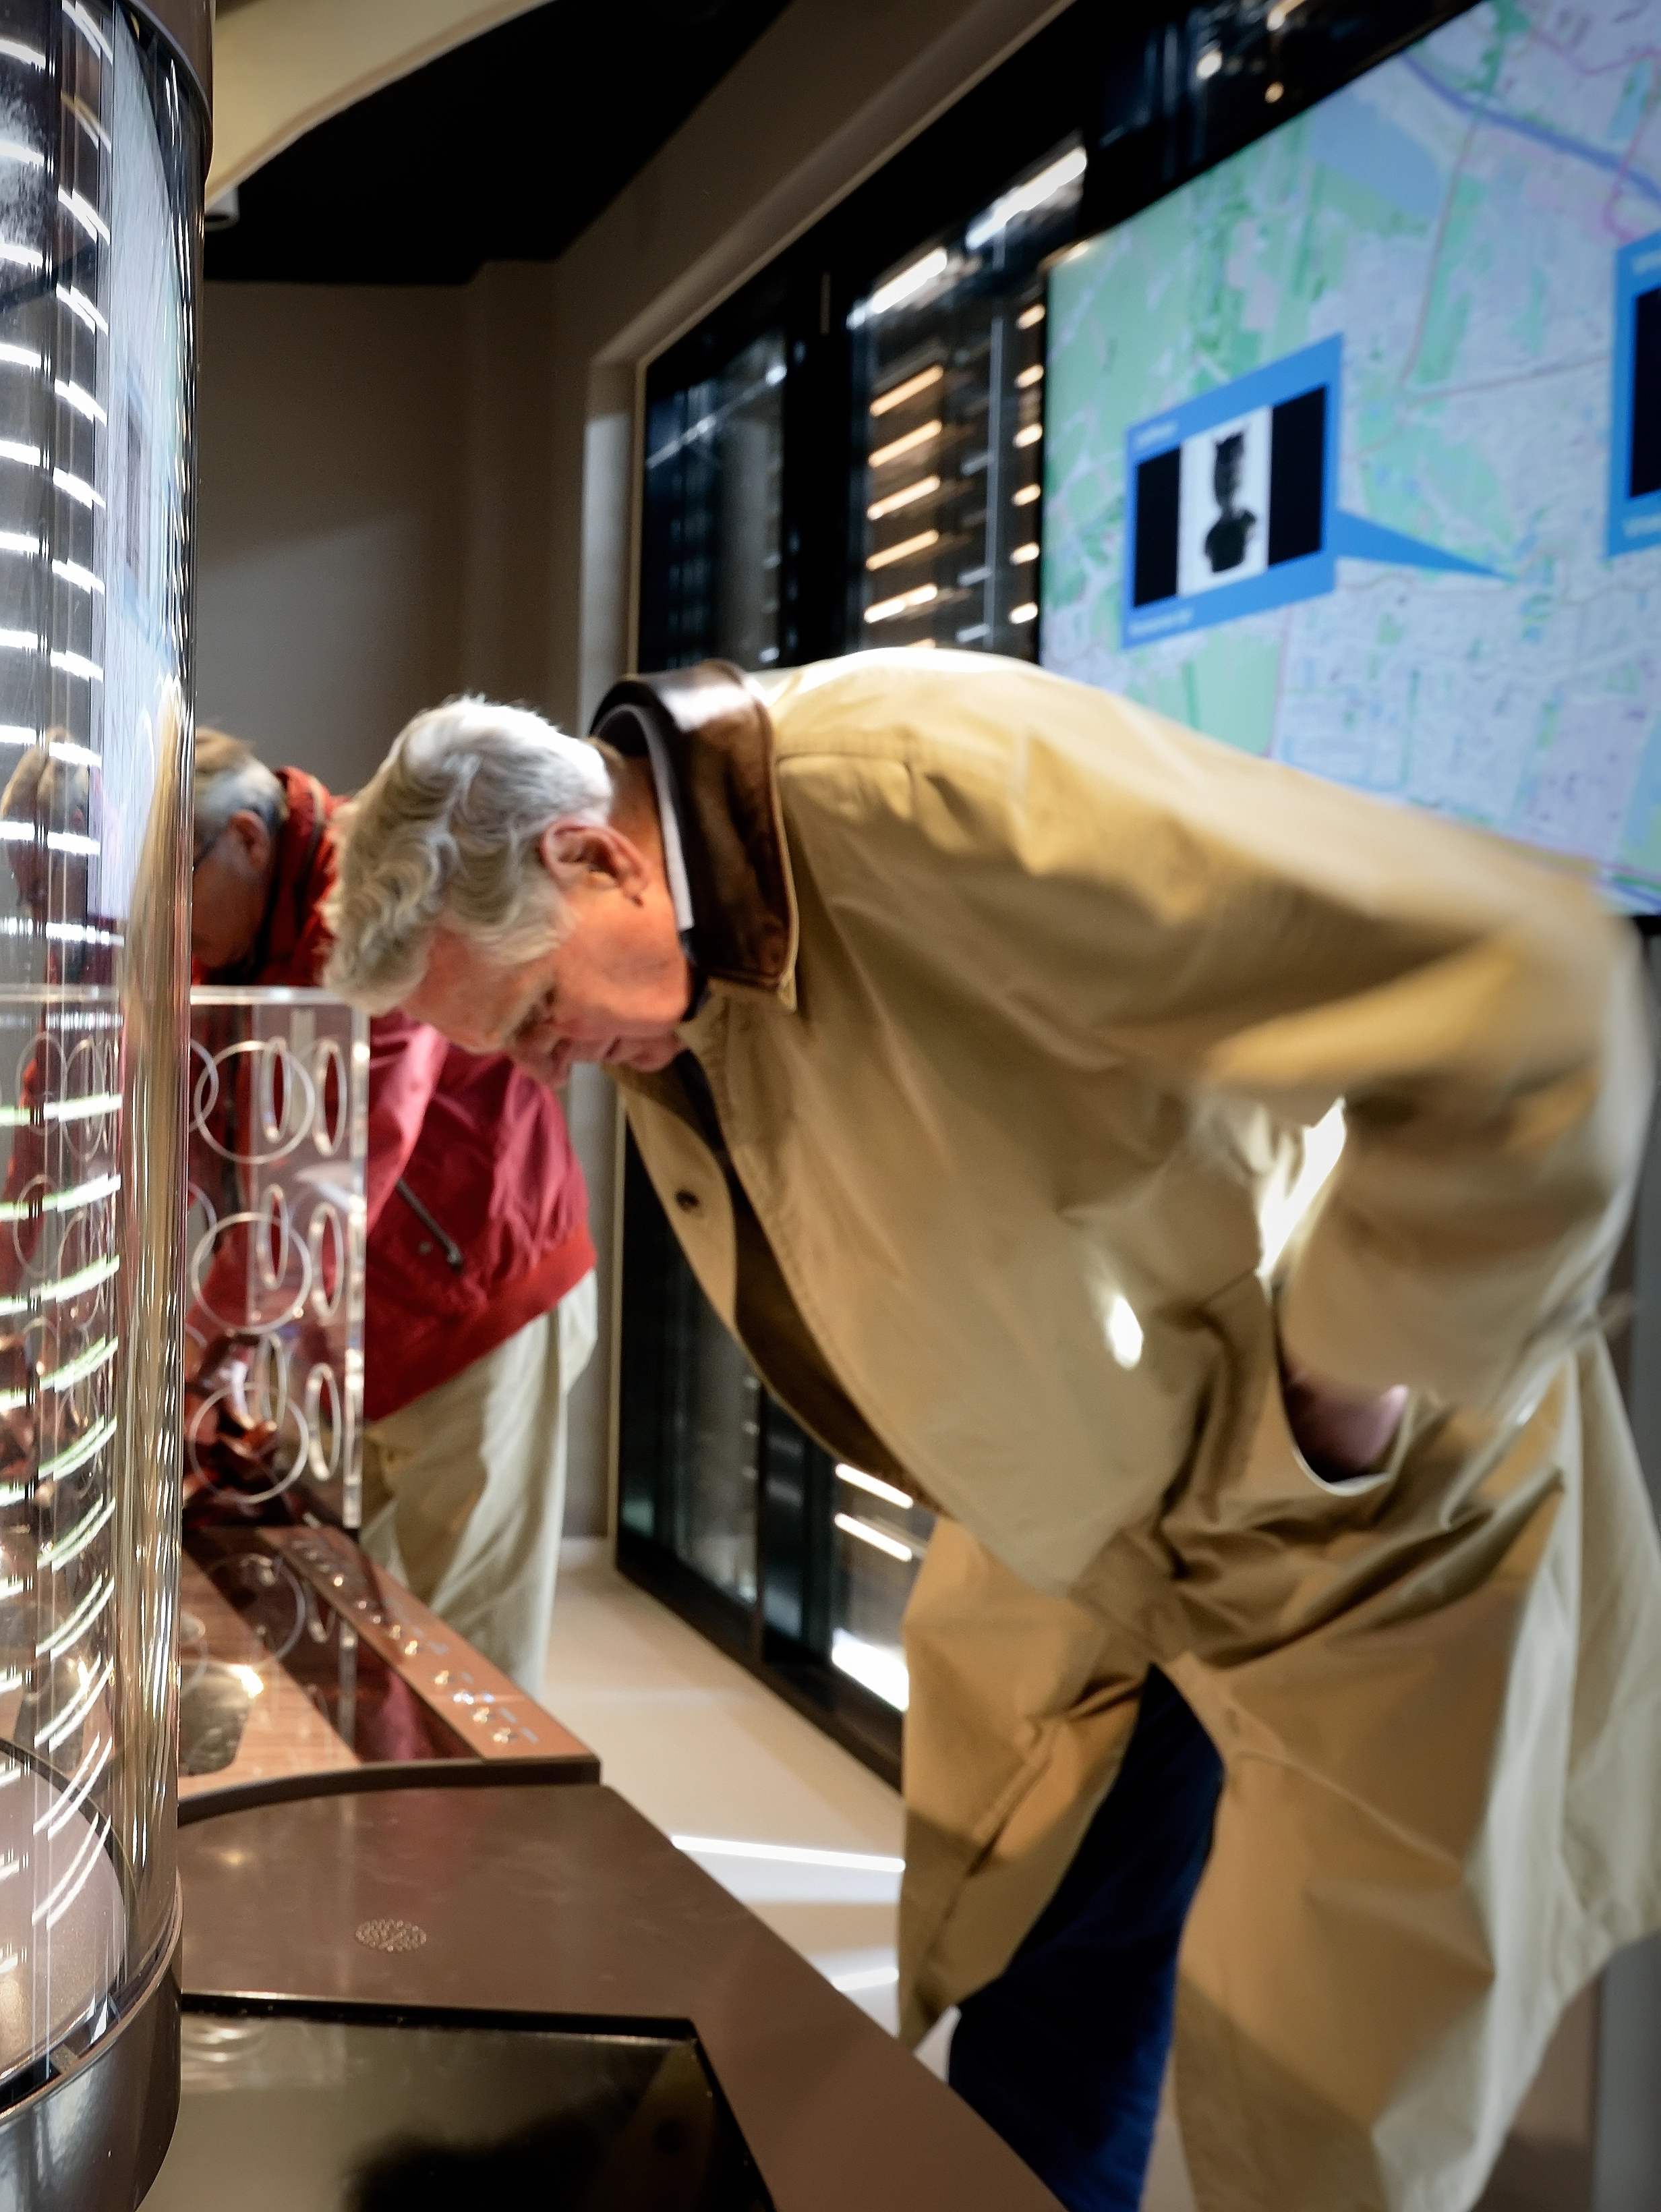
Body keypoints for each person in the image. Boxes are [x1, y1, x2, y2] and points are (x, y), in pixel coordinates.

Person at [320, 652, 1661, 2212]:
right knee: (1021, 1978)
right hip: (1096, 1537)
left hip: (1352, 1525)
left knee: (1323, 2127)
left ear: (595, 854)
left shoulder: (923, 788)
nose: (549, 1069)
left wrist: (1349, 1378)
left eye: (539, 1012)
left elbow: (1518, 974)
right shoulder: (689, 973)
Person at [188, 728, 595, 1700]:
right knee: (373, 1633)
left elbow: (338, 1169)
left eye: (168, 899)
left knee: (466, 1662)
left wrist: (203, 1341)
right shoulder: (228, 934)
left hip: (476, 1308)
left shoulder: (368, 893)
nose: (162, 933)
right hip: (349, 1324)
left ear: (246, 839)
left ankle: (476, 1851)